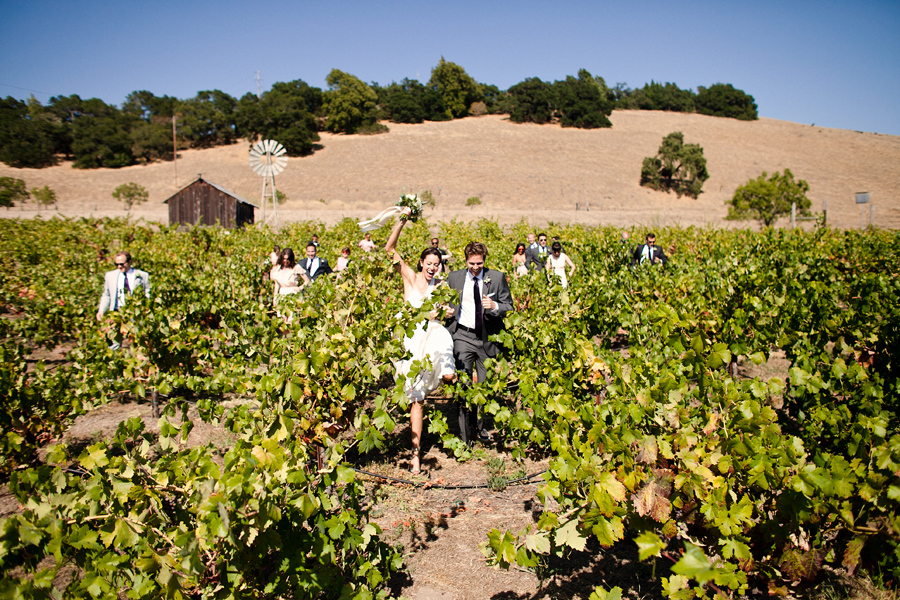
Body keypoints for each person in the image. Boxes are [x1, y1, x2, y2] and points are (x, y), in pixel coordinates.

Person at [385, 209, 457, 474]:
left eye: (436, 264)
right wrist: (402, 220)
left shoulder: (441, 287)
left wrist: (447, 312)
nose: (432, 267)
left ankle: (454, 380)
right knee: (417, 399)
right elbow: (389, 248)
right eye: (429, 262)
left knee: (449, 377)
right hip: (412, 341)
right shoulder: (410, 278)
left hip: (434, 337)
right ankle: (415, 456)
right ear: (421, 262)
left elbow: (446, 311)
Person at [446, 241, 513, 446]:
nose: (475, 267)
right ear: (466, 260)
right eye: (472, 263)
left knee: (484, 387)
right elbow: (444, 302)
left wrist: (494, 306)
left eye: (479, 263)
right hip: (462, 337)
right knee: (464, 387)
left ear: (485, 261)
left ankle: (481, 427)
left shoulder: (497, 277)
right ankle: (465, 437)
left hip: (487, 338)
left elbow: (508, 305)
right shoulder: (454, 278)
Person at [97, 251, 151, 321]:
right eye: (117, 264)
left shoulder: (142, 275)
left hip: (135, 313)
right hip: (117, 312)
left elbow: (147, 292)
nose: (119, 266)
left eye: (122, 264)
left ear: (129, 262)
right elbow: (107, 295)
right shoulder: (110, 276)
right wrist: (101, 310)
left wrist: (145, 309)